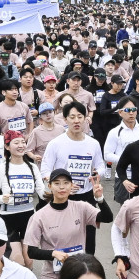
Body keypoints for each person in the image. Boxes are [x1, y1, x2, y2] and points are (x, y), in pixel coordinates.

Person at [40, 101, 104, 252]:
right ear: (65, 119)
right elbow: (45, 170)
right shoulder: (56, 143)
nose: (76, 120)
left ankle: (88, 271)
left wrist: (96, 174)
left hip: (87, 196)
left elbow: (101, 166)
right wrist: (63, 186)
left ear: (85, 119)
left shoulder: (93, 143)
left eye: (80, 116)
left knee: (89, 240)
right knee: (64, 238)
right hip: (63, 198)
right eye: (72, 117)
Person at [0, 130, 45, 267]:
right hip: (8, 218)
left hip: (28, 217)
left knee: (29, 260)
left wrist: (53, 193)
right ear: (7, 146)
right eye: (16, 142)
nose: (21, 145)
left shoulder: (32, 167)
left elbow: (41, 191)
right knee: (18, 260)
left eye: (23, 142)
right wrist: (2, 199)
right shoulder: (0, 169)